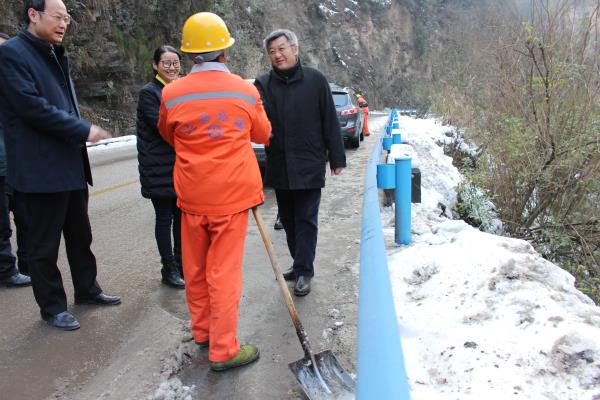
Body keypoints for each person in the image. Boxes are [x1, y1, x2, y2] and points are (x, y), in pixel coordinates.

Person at [158, 12, 271, 371]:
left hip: (192, 194)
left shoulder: (170, 93)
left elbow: (168, 134)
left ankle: (203, 332)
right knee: (224, 273)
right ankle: (224, 350)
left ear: (189, 54)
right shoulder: (245, 90)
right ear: (225, 51)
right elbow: (263, 134)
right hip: (232, 196)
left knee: (195, 269)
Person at [0, 0, 121, 331]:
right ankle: (52, 307)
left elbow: (64, 103)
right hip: (39, 168)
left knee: (80, 236)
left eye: (66, 18)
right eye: (57, 17)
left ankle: (87, 289)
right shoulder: (12, 54)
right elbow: (32, 107)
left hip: (69, 162)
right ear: (33, 15)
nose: (64, 23)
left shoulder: (53, 51)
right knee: (43, 245)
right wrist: (83, 129)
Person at [254, 29, 346, 296]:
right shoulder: (263, 84)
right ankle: (299, 264)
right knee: (289, 220)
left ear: (295, 49)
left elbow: (330, 120)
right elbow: (254, 119)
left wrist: (337, 157)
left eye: (281, 49)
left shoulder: (316, 80)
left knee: (306, 219)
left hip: (309, 162)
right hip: (280, 163)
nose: (277, 55)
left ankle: (305, 270)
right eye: (272, 52)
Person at [136, 45, 184, 289]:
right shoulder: (150, 93)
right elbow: (163, 127)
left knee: (182, 218)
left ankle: (182, 264)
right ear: (155, 65)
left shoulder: (181, 89)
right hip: (158, 167)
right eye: (166, 63)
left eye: (175, 63)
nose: (172, 67)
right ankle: (169, 268)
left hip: (180, 166)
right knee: (165, 219)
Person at [0, 31, 31, 288]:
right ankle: (5, 270)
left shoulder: (14, 84)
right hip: (2, 166)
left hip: (18, 162)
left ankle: (27, 264)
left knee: (26, 218)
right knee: (2, 224)